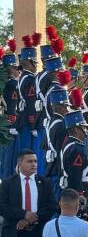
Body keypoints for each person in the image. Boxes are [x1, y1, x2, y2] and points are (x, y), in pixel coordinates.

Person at [0, 149, 57, 237]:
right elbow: (2, 206)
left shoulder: (46, 183)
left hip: (38, 231)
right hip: (14, 231)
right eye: (30, 161)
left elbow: (52, 206)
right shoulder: (8, 183)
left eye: (35, 161)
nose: (34, 164)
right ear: (20, 164)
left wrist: (29, 220)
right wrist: (24, 214)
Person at [60, 110, 88, 205]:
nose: (86, 131)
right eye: (83, 127)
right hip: (78, 190)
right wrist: (79, 194)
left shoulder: (68, 142)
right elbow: (75, 174)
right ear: (77, 130)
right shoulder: (77, 149)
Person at [45, 88, 70, 200]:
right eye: (66, 106)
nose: (67, 109)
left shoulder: (52, 121)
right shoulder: (61, 125)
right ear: (60, 107)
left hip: (52, 165)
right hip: (58, 167)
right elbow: (62, 150)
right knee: (58, 200)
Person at [0, 40, 21, 179]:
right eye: (15, 68)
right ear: (10, 69)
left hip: (4, 123)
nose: (18, 71)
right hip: (10, 124)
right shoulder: (13, 84)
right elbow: (13, 105)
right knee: (10, 157)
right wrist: (13, 123)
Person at [17, 35, 39, 151]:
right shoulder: (30, 79)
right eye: (35, 63)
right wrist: (33, 123)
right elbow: (31, 102)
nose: (36, 66)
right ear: (29, 63)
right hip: (27, 121)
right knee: (28, 153)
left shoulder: (23, 77)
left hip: (23, 118)